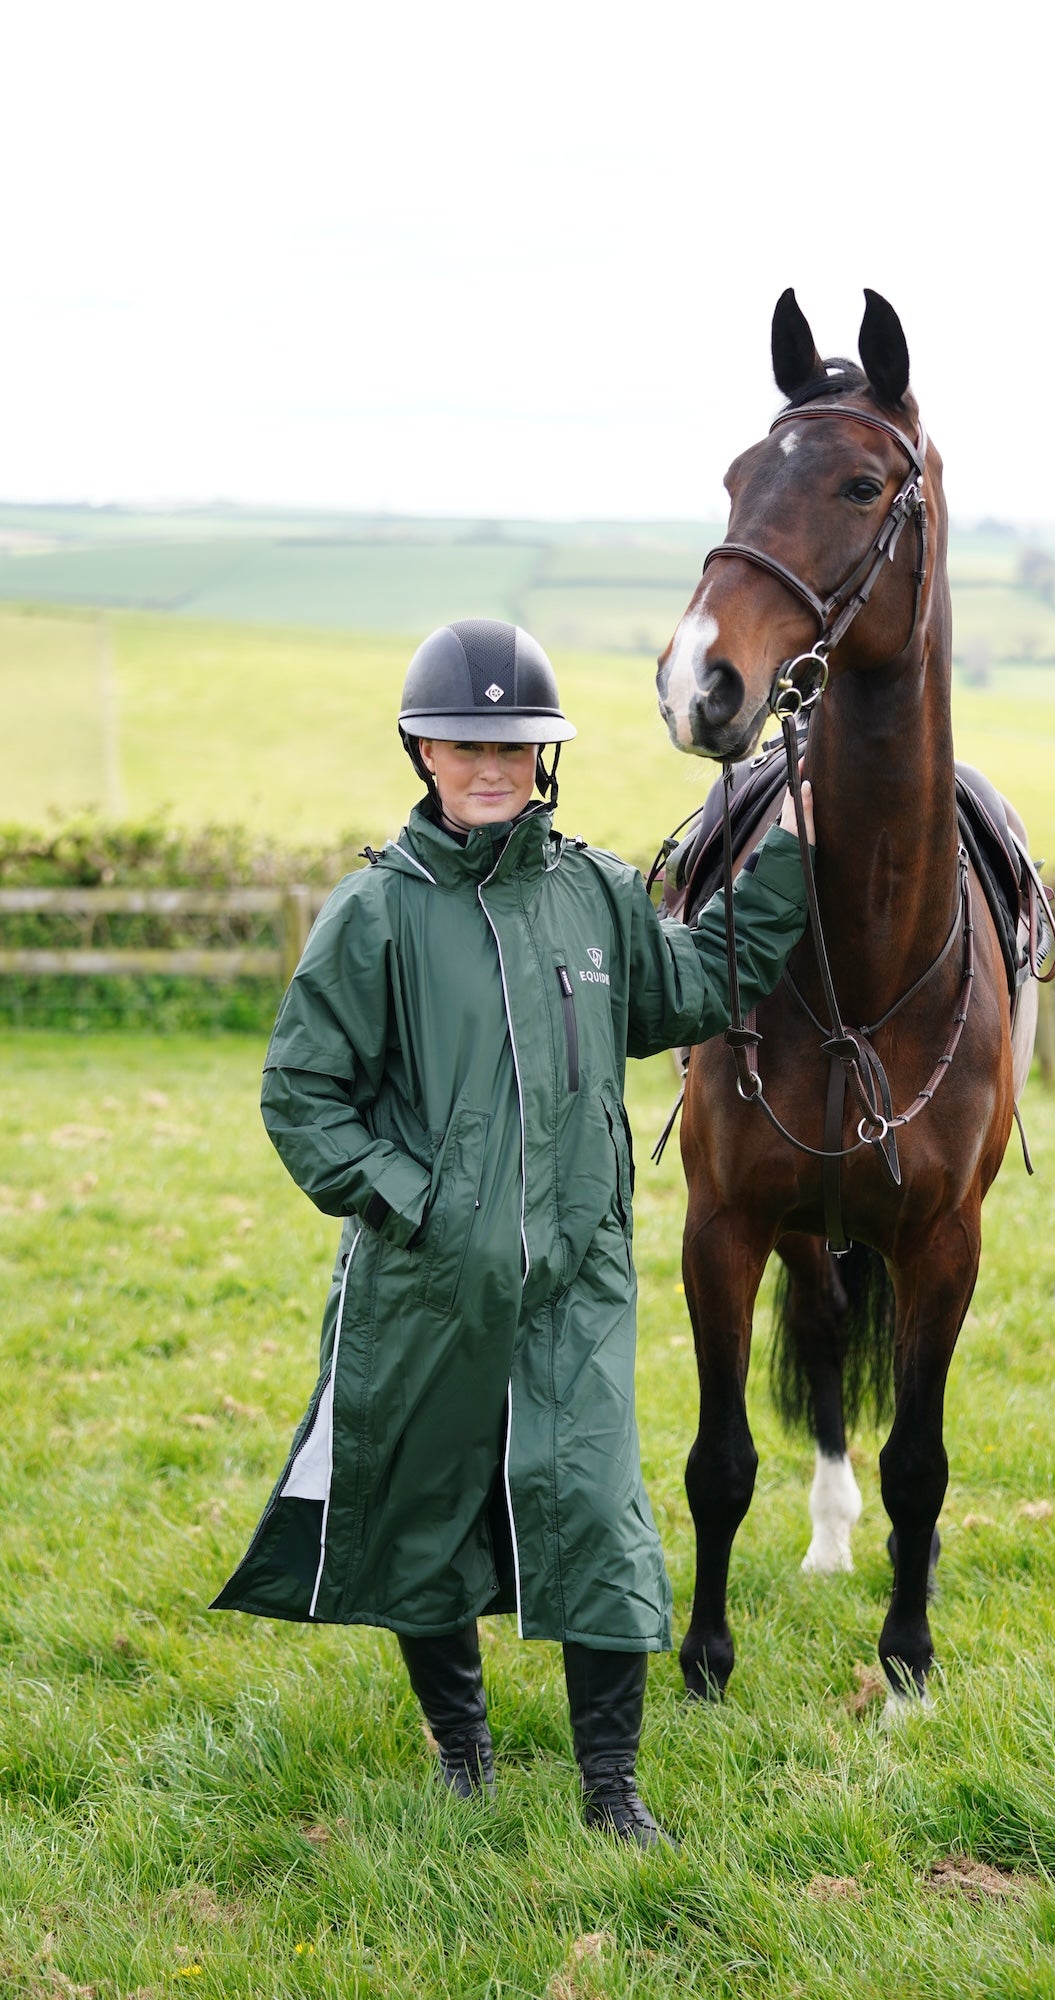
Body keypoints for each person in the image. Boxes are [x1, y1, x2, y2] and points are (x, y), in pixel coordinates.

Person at [212, 618, 814, 1848]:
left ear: (544, 756)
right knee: (423, 1515)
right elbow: (300, 1096)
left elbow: (693, 984)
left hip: (578, 1281)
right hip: (427, 1285)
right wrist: (415, 1199)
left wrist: (791, 868)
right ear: (423, 748)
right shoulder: (375, 912)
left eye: (516, 743)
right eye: (464, 742)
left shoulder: (593, 891)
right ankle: (466, 1749)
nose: (490, 763)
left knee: (595, 1512)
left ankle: (610, 1787)